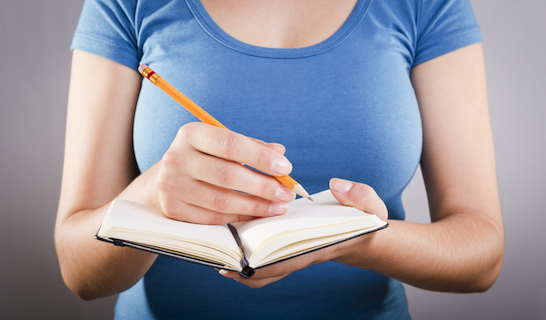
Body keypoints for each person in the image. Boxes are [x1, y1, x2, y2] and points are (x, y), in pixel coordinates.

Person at [55, 0, 504, 318]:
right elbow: (81, 274)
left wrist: (364, 240)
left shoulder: (426, 5)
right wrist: (153, 195)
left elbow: (481, 255)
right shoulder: (124, 4)